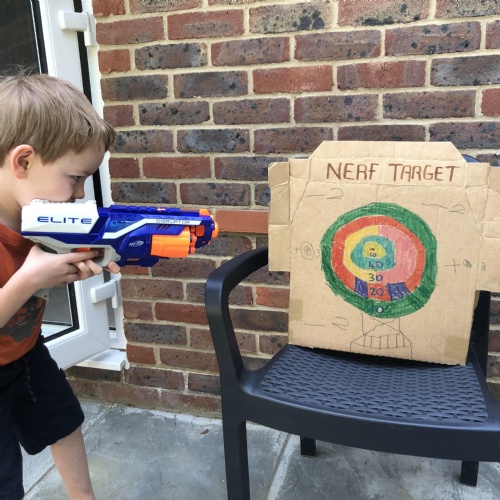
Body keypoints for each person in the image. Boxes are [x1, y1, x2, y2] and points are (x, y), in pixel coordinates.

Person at [0, 73, 119, 500]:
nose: (80, 194)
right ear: (24, 162)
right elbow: (28, 278)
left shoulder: (37, 214)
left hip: (25, 351)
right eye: (75, 178)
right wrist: (30, 278)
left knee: (62, 420)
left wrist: (89, 257)